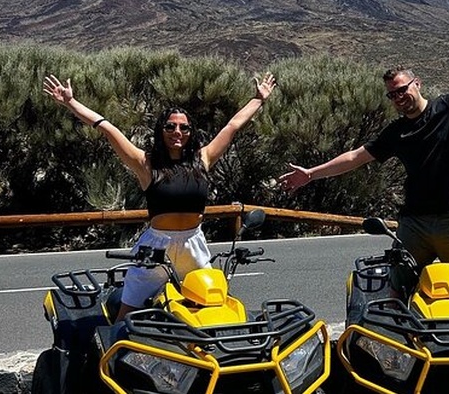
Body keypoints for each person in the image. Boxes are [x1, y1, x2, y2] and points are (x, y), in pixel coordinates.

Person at [278, 6, 449, 307]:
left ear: (417, 84)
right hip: (414, 224)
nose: (398, 97)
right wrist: (310, 174)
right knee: (398, 292)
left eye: (402, 89)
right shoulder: (396, 132)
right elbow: (355, 158)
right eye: (392, 95)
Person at [43, 72, 276, 320]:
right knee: (127, 317)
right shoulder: (146, 164)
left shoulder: (202, 159)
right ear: (161, 130)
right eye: (170, 126)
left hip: (193, 248)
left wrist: (258, 99)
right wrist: (70, 103)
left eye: (184, 127)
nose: (177, 131)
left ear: (190, 132)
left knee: (211, 310)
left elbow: (233, 125)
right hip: (155, 248)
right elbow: (107, 128)